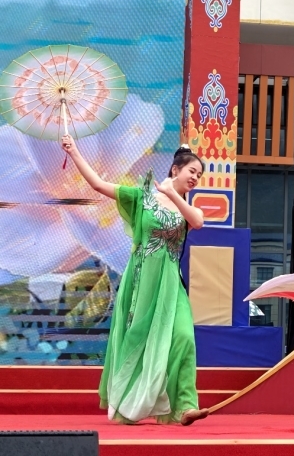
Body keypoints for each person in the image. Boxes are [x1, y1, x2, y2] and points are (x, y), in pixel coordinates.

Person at [61, 134, 210, 426]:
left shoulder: (187, 208)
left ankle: (185, 406)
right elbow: (98, 185)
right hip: (142, 281)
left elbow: (198, 222)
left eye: (199, 175)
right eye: (192, 171)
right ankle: (131, 403)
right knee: (137, 340)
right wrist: (74, 151)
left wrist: (172, 194)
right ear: (175, 169)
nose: (195, 178)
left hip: (170, 284)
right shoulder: (141, 197)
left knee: (184, 336)